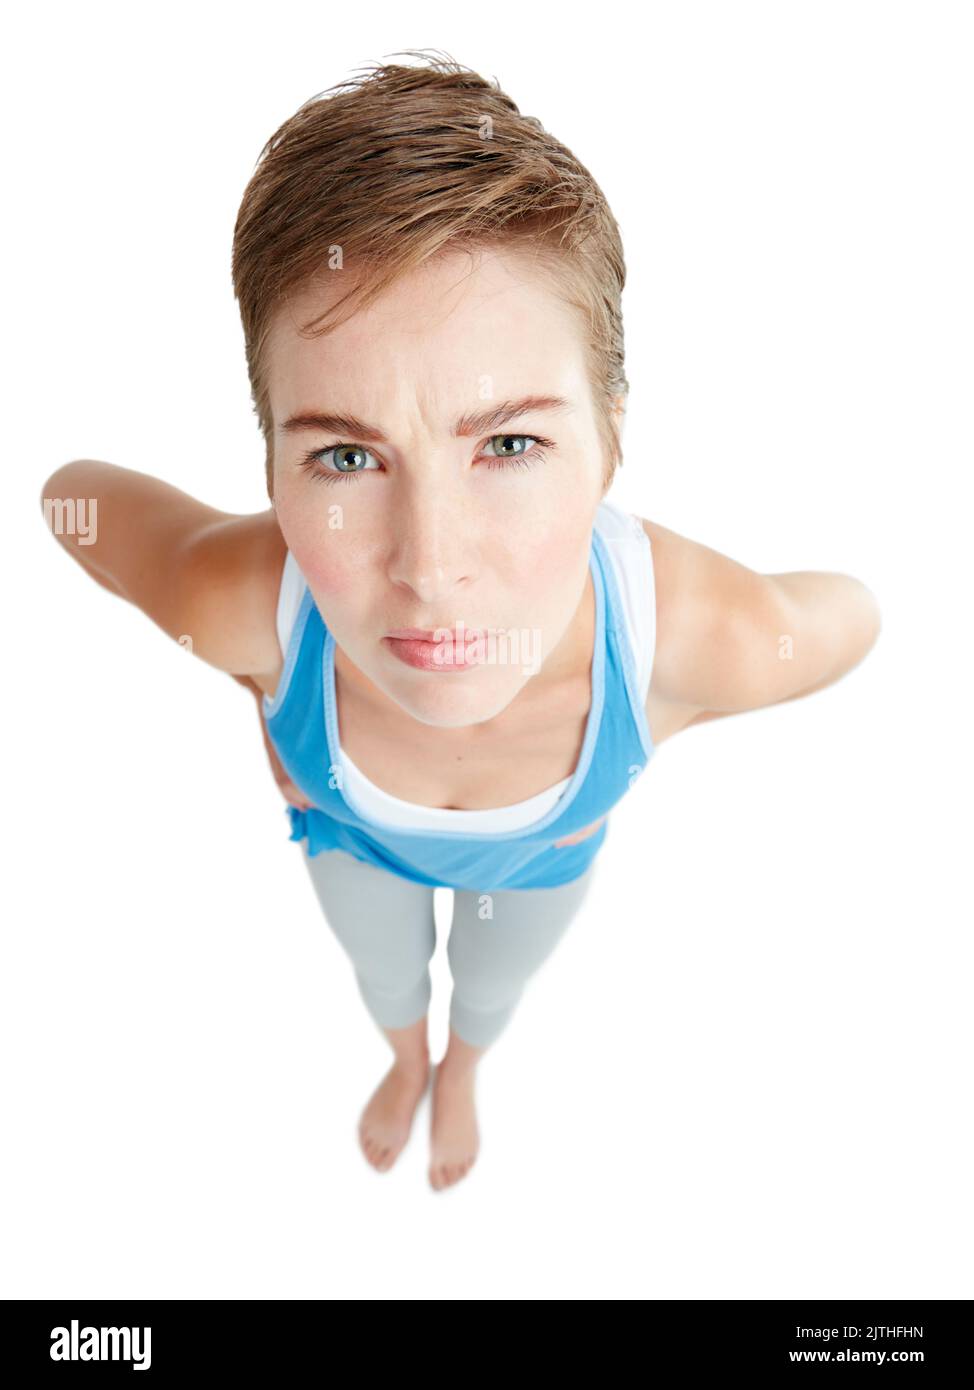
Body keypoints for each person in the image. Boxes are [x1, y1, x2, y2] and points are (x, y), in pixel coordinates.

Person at [40, 51, 882, 1192]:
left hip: (538, 868)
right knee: (384, 976)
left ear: (610, 443)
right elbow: (67, 496)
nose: (427, 567)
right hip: (350, 846)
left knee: (488, 985)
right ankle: (402, 1058)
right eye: (345, 455)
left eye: (509, 444)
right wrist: (255, 685)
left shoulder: (698, 635)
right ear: (272, 466)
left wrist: (671, 696)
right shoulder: (230, 600)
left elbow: (854, 618)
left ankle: (464, 1068)